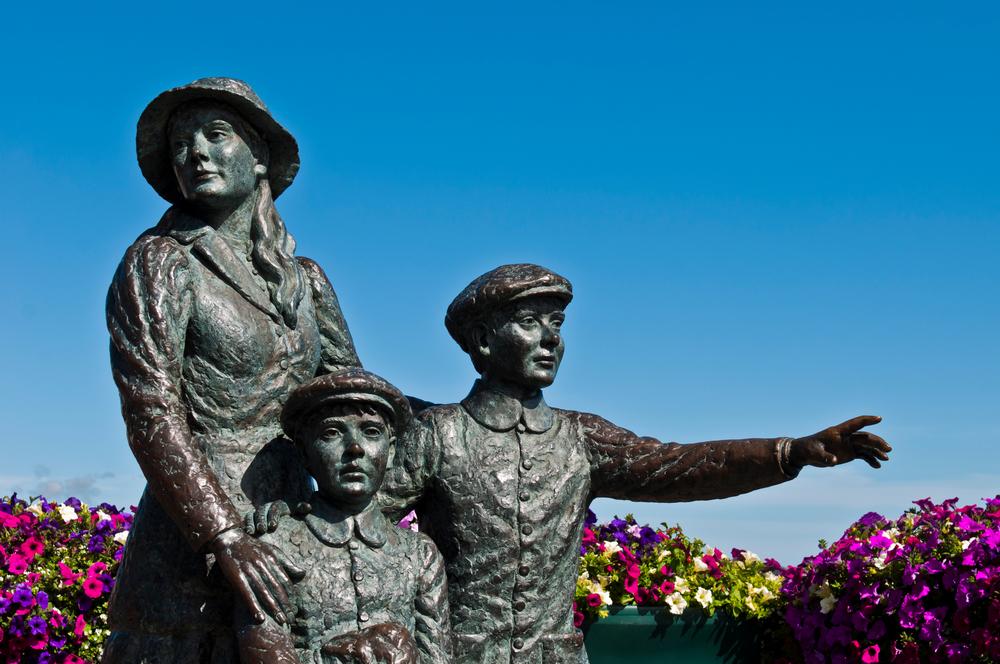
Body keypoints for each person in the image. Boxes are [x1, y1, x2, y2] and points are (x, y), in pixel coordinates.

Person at [379, 263, 892, 664]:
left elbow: (676, 467)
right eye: (530, 322)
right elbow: (369, 529)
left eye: (556, 324)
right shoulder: (438, 433)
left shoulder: (580, 436)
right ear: (484, 340)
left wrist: (789, 452)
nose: (551, 339)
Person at [104, 78, 361, 663]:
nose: (194, 153)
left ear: (260, 156)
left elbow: (353, 401)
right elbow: (151, 412)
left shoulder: (308, 280)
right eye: (180, 145)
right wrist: (225, 536)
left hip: (293, 537)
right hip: (190, 557)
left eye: (215, 135)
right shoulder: (160, 261)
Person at [237, 368, 452, 664]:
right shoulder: (273, 546)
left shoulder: (420, 554)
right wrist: (331, 658)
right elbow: (262, 654)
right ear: (303, 452)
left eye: (371, 432)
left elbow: (438, 657)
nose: (354, 448)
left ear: (390, 453)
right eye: (332, 433)